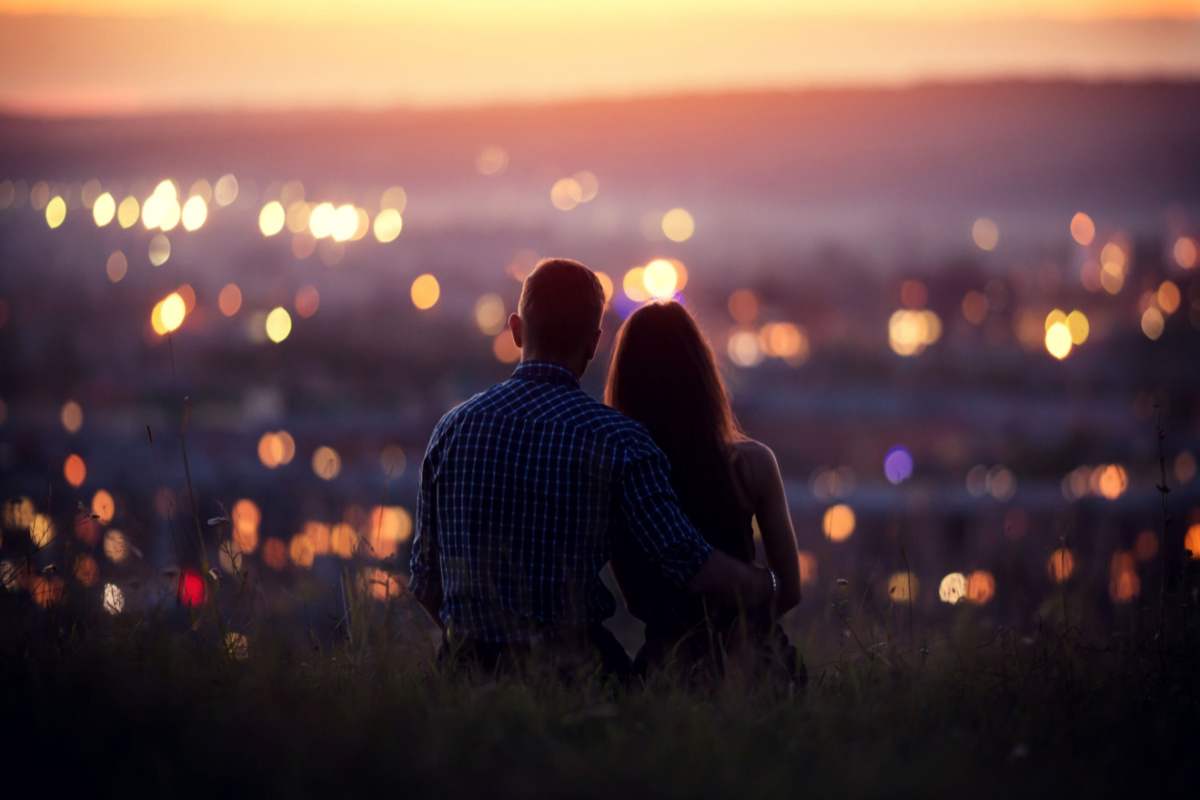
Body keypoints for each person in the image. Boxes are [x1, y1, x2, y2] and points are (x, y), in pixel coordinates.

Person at [408, 258, 778, 681]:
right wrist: (766, 587)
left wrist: (482, 648)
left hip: (464, 676)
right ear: (593, 344)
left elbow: (425, 581)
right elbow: (689, 566)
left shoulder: (454, 428)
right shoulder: (619, 440)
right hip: (574, 675)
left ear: (516, 329)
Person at [605, 300, 802, 681]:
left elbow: (635, 601)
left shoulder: (621, 476)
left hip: (667, 668)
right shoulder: (752, 464)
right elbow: (789, 590)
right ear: (703, 375)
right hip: (760, 663)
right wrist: (745, 613)